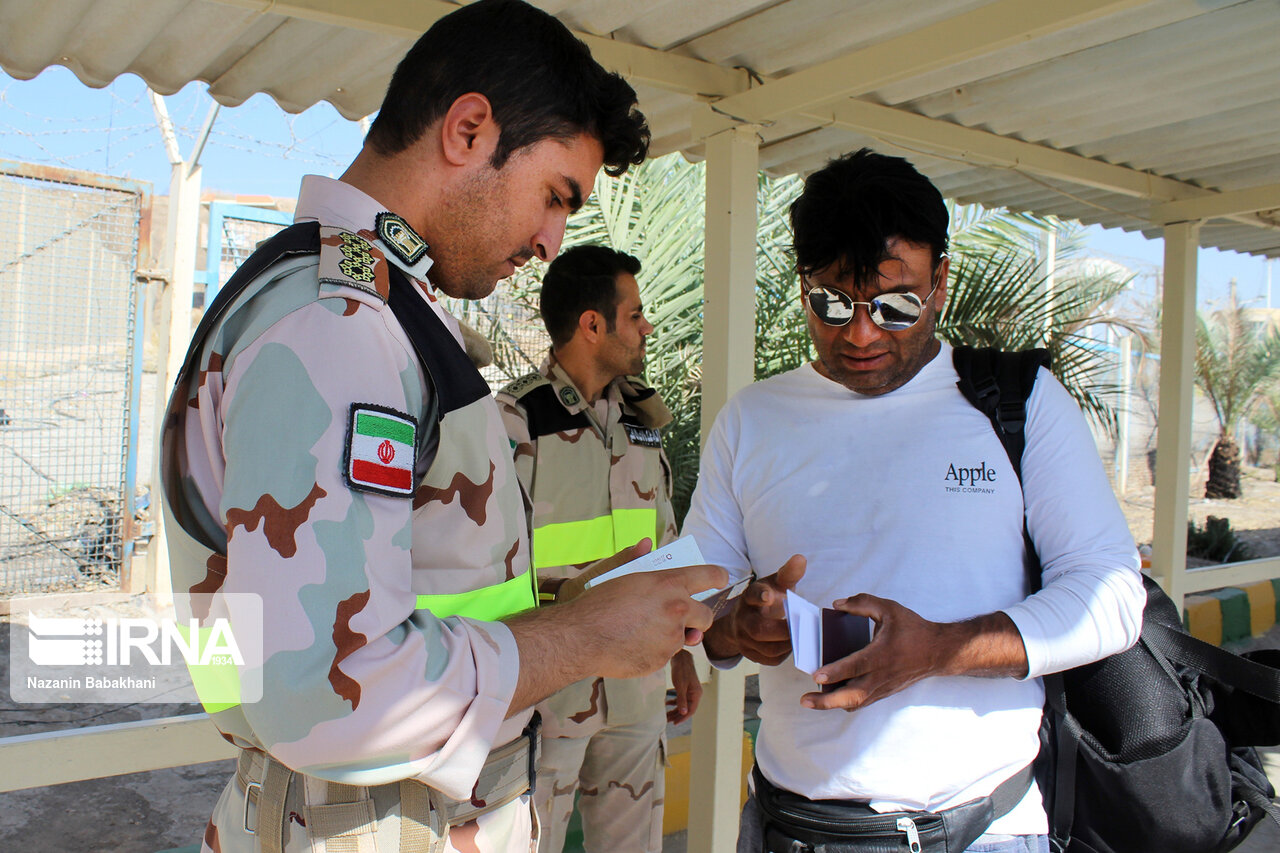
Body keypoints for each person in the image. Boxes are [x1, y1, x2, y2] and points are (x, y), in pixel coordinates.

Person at [158, 2, 725, 852]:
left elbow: (419, 588)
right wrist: (583, 636)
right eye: (554, 196)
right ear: (468, 130)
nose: (550, 241)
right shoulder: (341, 324)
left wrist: (581, 603)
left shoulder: (377, 308)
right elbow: (327, 691)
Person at [681, 148, 1146, 853]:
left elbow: (1112, 596)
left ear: (940, 285)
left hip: (983, 831)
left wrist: (940, 648)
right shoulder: (751, 419)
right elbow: (696, 606)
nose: (861, 333)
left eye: (895, 305)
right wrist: (737, 628)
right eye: (832, 303)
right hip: (790, 831)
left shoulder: (1018, 404)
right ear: (803, 284)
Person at [496, 245, 702, 853]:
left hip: (639, 683)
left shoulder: (643, 418)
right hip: (550, 688)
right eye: (635, 314)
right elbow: (487, 563)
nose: (647, 328)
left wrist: (683, 651)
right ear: (593, 324)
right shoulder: (516, 420)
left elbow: (664, 542)